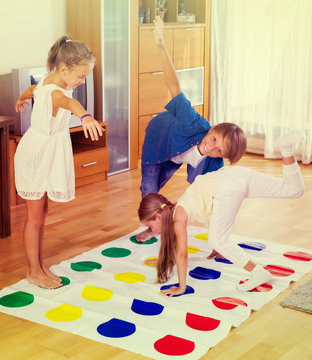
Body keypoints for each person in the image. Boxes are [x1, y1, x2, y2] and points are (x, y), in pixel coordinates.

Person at [138, 131, 305, 296]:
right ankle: (286, 149)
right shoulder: (176, 208)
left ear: (158, 216)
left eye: (150, 226)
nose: (152, 231)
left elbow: (182, 253)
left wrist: (182, 287)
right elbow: (212, 213)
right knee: (293, 190)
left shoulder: (178, 218)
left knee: (217, 239)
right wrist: (164, 261)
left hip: (226, 186)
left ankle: (258, 272)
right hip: (235, 174)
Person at [137, 16, 246, 241]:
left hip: (177, 156)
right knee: (149, 195)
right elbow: (174, 86)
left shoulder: (214, 162)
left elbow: (216, 199)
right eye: (214, 139)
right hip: (159, 141)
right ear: (212, 128)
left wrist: (220, 239)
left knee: (192, 194)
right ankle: (154, 226)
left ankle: (165, 221)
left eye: (219, 151)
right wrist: (160, 45)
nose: (211, 148)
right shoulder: (193, 122)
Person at [14, 35, 103, 289]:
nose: (82, 81)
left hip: (42, 153)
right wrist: (84, 115)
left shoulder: (45, 83)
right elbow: (69, 102)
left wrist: (21, 99)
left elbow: (31, 90)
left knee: (41, 214)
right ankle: (33, 270)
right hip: (36, 156)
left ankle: (39, 265)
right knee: (34, 216)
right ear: (64, 69)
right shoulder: (56, 93)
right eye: (81, 76)